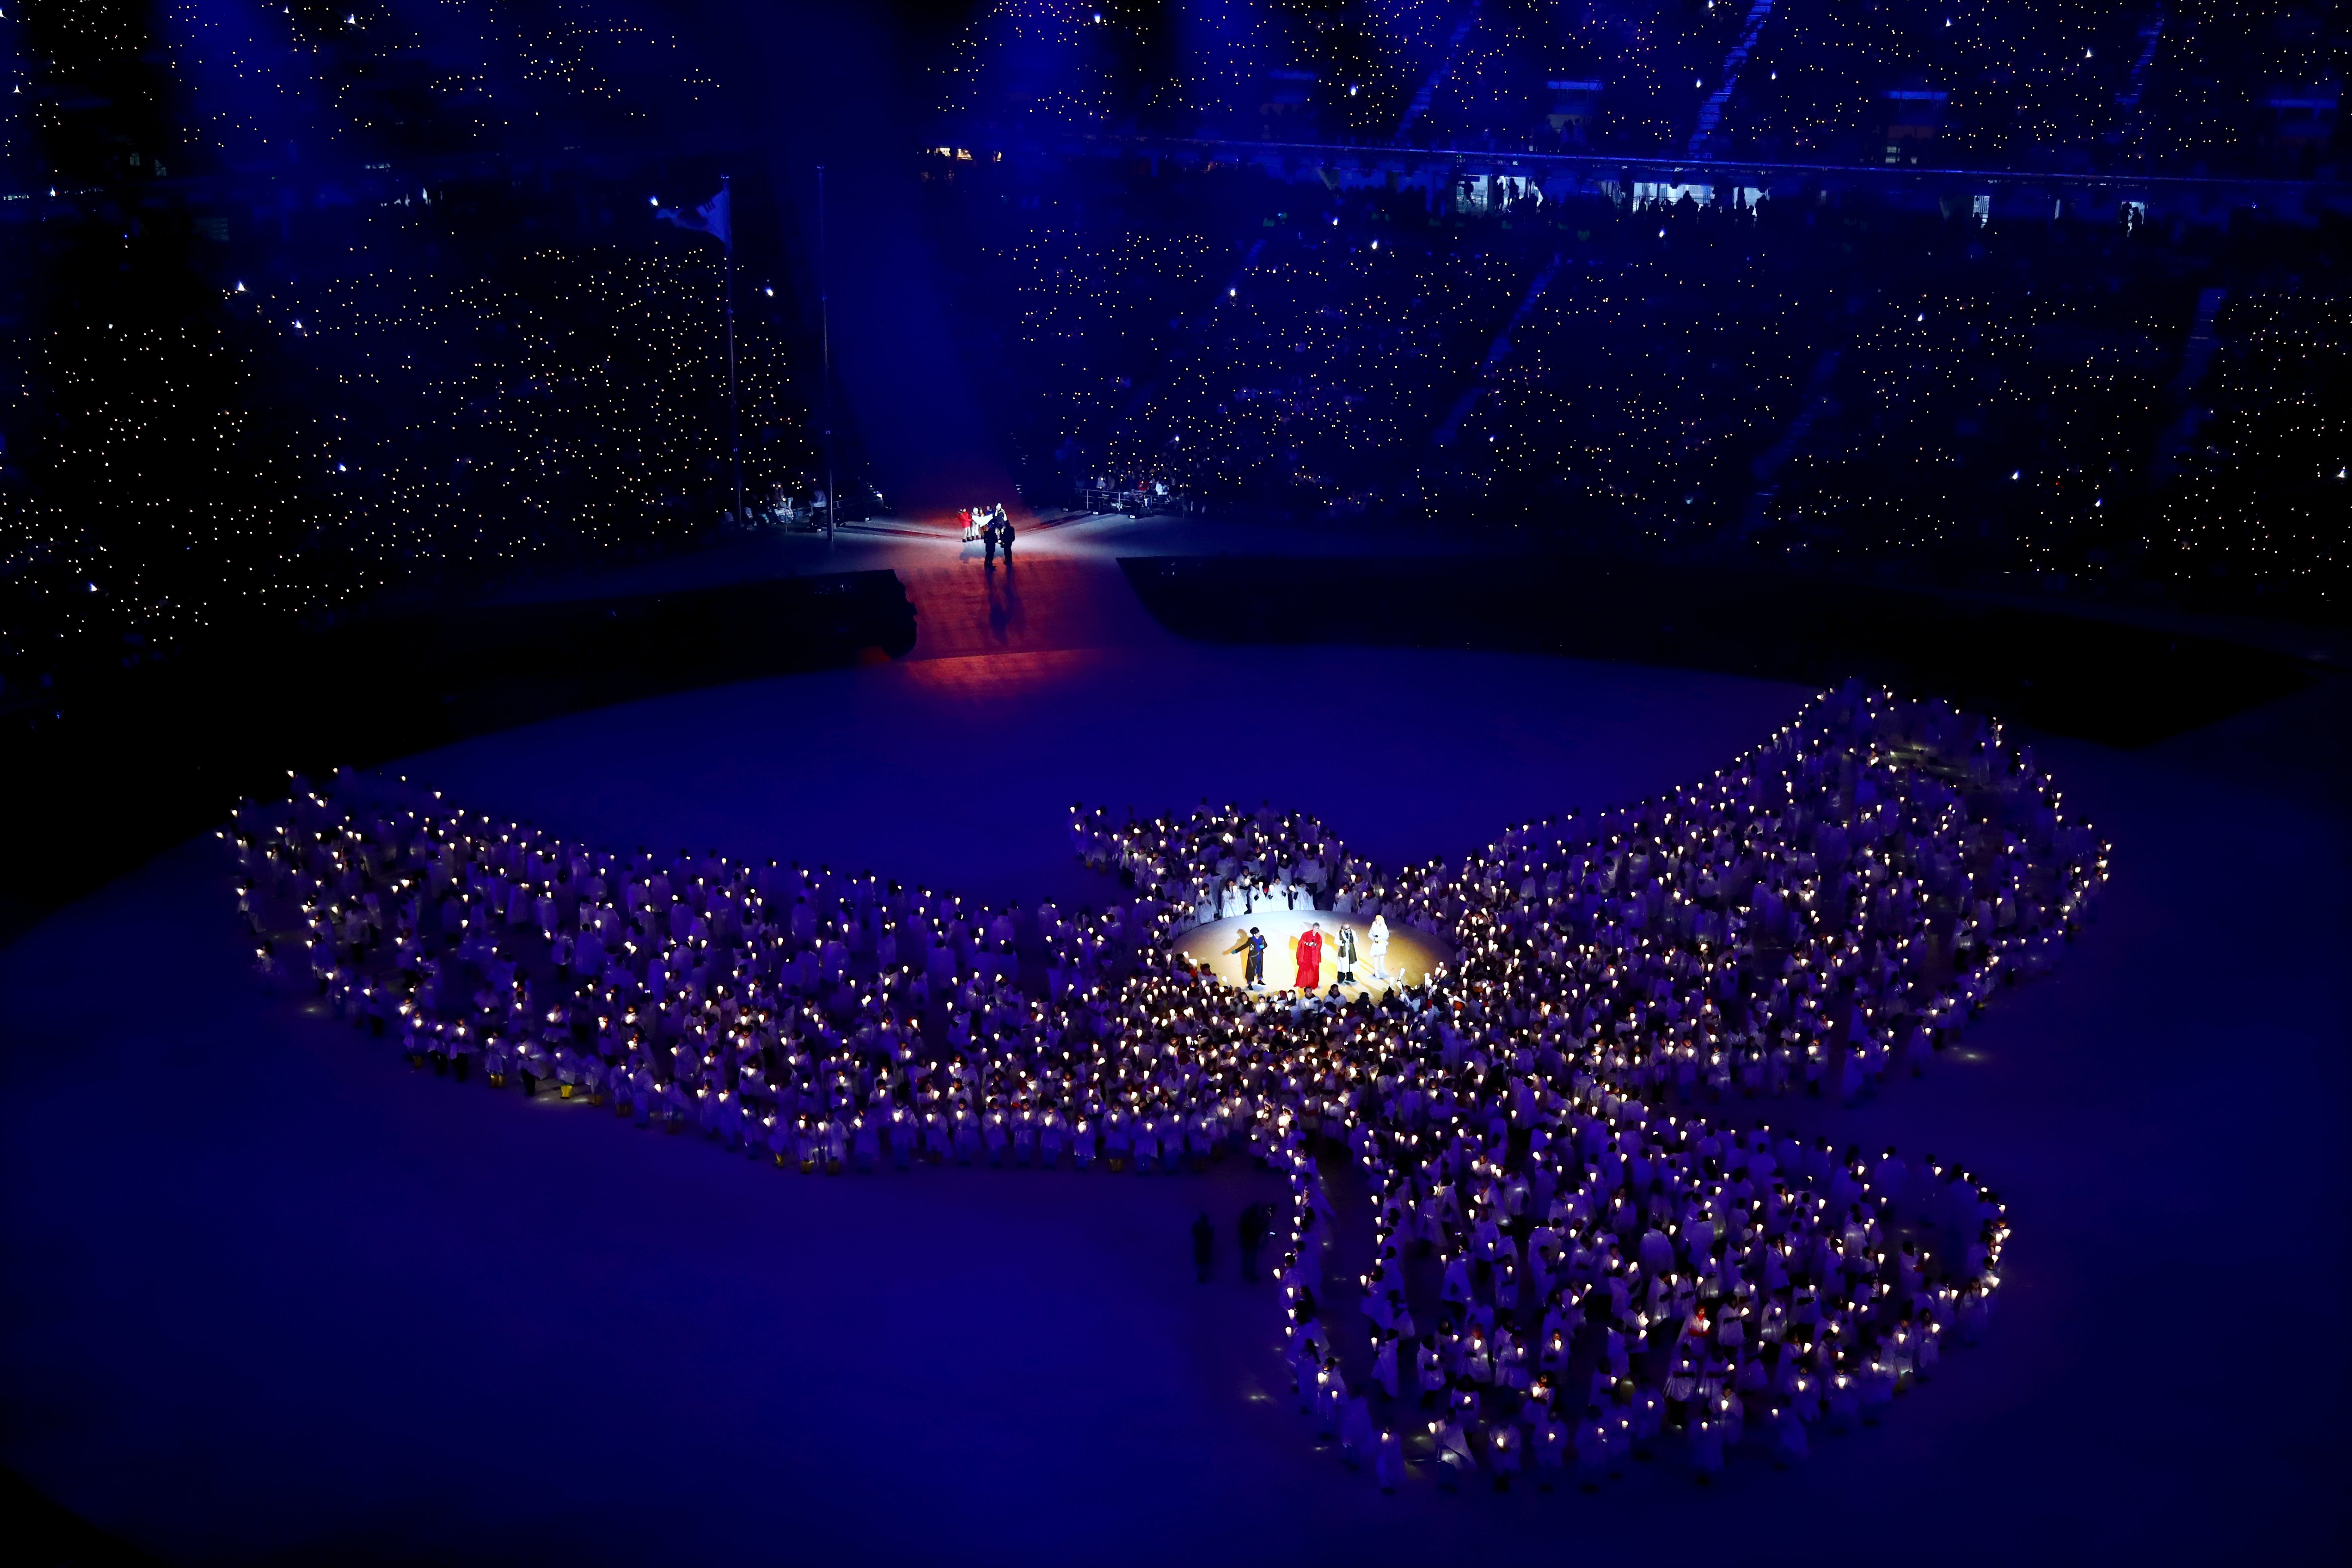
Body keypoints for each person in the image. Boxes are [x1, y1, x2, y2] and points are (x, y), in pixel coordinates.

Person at [1238, 1201, 1268, 1282]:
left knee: (1247, 1258)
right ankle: (1250, 1275)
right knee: (1251, 1259)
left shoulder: (1245, 1219)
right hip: (1252, 1241)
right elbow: (1258, 1230)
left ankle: (1246, 1274)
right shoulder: (1254, 1220)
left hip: (1246, 1241)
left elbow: (1242, 1229)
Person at [1295, 922, 1324, 991]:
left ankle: (1312, 983)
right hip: (1306, 955)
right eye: (1315, 928)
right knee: (1305, 969)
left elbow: (1319, 946)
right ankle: (1303, 983)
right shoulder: (1306, 934)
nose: (1316, 930)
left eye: (1317, 929)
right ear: (1313, 928)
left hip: (1314, 957)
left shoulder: (1319, 937)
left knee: (1313, 970)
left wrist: (1315, 946)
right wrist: (1307, 944)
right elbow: (1302, 941)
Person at [1192, 1210, 1215, 1283]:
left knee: (1201, 1262)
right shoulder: (1207, 1229)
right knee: (1204, 1262)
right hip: (1205, 1248)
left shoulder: (1200, 1228)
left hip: (1201, 1248)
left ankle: (1201, 1276)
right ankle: (1203, 1276)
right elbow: (1211, 1237)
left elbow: (1194, 1233)